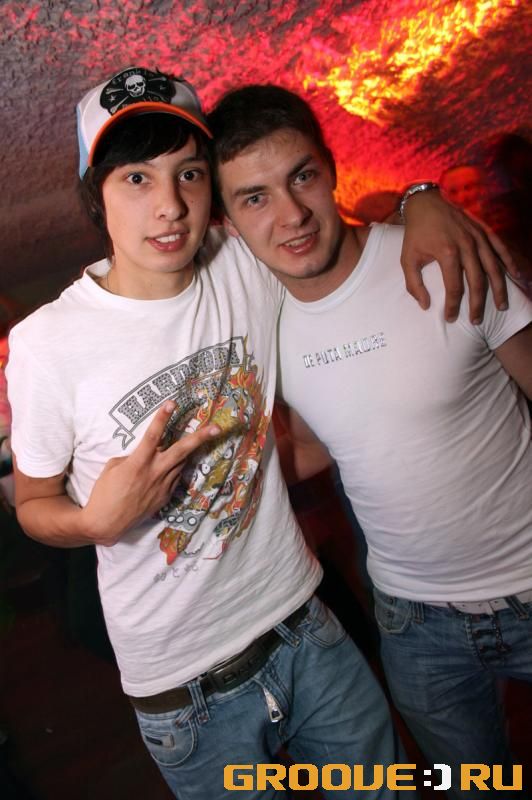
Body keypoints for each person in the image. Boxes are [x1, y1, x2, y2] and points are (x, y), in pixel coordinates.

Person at [6, 67, 517, 799]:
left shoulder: (242, 262)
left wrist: (421, 198)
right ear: (95, 195)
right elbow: (32, 504)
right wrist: (94, 522)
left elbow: (333, 222)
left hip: (307, 629)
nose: (169, 205)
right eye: (136, 179)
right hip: (186, 690)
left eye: (188, 174)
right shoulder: (47, 343)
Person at [207, 84, 532, 800]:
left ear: (330, 168)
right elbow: (327, 443)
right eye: (255, 198)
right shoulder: (262, 325)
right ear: (228, 221)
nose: (291, 215)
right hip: (413, 624)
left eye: (300, 177)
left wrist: (422, 195)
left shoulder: (447, 255)